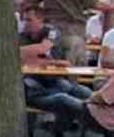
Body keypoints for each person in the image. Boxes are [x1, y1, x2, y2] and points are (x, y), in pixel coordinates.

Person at [17, 7, 91, 137]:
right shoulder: (22, 36)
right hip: (33, 86)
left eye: (29, 19)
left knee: (80, 91)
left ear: (40, 20)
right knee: (64, 97)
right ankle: (96, 114)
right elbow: (20, 56)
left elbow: (43, 48)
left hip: (52, 80)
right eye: (23, 20)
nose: (25, 23)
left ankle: (105, 109)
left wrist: (27, 54)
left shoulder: (51, 31)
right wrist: (52, 62)